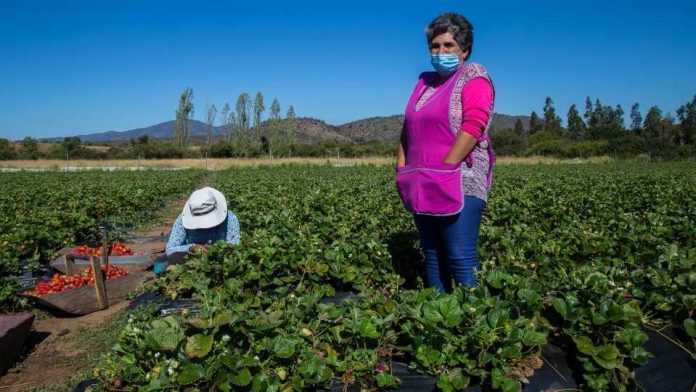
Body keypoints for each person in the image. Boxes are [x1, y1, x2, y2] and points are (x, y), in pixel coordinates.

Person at [395, 12, 495, 292]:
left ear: (465, 50)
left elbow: (474, 126)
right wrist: (401, 168)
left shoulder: (473, 76)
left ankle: (472, 327)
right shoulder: (424, 82)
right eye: (435, 46)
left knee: (460, 259)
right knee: (433, 256)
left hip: (459, 179)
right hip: (421, 180)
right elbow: (408, 128)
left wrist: (446, 168)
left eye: (449, 46)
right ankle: (438, 321)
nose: (441, 52)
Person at [165, 187, 240, 258]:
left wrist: (217, 250)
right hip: (191, 260)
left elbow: (234, 247)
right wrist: (191, 248)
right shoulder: (181, 220)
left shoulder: (230, 219)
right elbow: (170, 249)